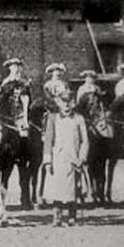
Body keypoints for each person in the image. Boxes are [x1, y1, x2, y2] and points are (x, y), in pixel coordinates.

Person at [42, 90, 88, 226]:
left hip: (73, 157)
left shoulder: (79, 119)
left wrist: (82, 157)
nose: (66, 104)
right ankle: (57, 216)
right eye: (63, 101)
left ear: (73, 103)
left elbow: (84, 140)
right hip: (58, 157)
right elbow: (48, 140)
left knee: (73, 187)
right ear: (58, 103)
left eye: (69, 101)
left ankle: (72, 216)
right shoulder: (53, 118)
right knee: (57, 187)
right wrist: (47, 161)